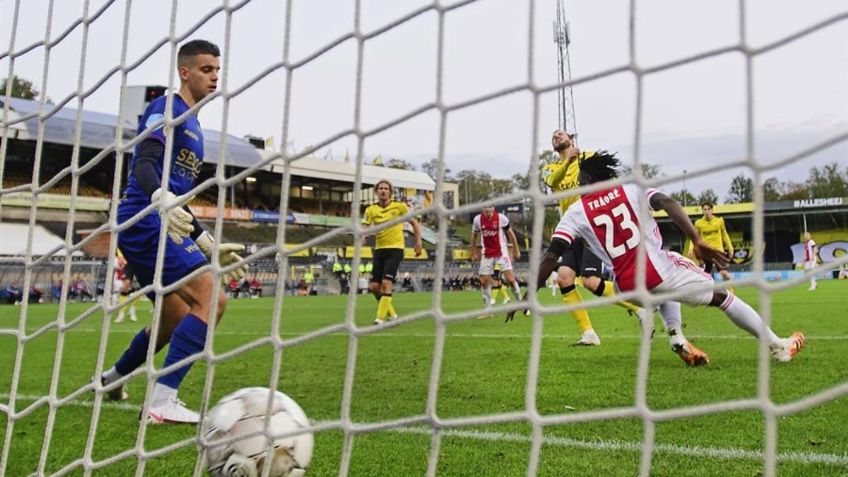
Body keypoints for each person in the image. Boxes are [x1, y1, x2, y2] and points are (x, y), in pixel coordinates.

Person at [510, 152, 805, 364]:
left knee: (663, 287)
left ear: (586, 180)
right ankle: (778, 346)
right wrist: (697, 239)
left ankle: (676, 336)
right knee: (721, 296)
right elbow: (665, 201)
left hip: (627, 286)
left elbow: (552, 255)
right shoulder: (630, 188)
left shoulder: (575, 212)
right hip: (657, 270)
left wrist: (528, 293)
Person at [100, 39, 247, 425]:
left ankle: (111, 379)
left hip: (160, 221)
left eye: (217, 70)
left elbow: (176, 192)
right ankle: (163, 400)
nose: (214, 77)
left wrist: (203, 240)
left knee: (174, 316)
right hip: (145, 219)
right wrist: (159, 196)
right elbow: (145, 161)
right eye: (205, 70)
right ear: (185, 72)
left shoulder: (196, 126)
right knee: (212, 298)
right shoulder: (167, 108)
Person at [538, 129, 652, 345]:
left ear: (571, 138)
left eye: (560, 134)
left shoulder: (587, 158)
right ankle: (588, 333)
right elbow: (552, 181)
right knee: (564, 278)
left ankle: (639, 308)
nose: (556, 136)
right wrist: (567, 161)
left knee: (591, 282)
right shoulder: (549, 168)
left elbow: (607, 177)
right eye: (553, 136)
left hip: (591, 225)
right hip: (570, 228)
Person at [362, 179, 422, 325]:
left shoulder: (399, 207)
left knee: (386, 283)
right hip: (379, 249)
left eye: (386, 189)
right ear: (377, 192)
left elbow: (414, 223)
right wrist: (363, 237)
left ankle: (380, 319)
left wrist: (418, 242)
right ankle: (392, 315)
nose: (383, 191)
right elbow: (364, 226)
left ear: (390, 192)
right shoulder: (371, 210)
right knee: (374, 287)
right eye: (380, 188)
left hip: (395, 248)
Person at [470, 206, 522, 318]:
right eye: (485, 208)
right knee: (484, 281)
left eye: (489, 207)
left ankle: (522, 304)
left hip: (501, 253)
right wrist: (473, 252)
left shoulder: (501, 218)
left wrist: (516, 250)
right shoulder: (477, 220)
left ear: (493, 208)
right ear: (482, 209)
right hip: (487, 254)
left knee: (510, 280)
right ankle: (488, 311)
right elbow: (474, 236)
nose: (487, 210)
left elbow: (511, 234)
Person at [687, 202, 734, 281]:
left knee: (725, 275)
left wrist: (730, 248)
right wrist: (690, 249)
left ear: (712, 210)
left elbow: (724, 234)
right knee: (704, 277)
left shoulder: (719, 221)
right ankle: (705, 292)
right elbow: (694, 237)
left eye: (709, 209)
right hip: (706, 252)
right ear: (702, 211)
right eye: (704, 209)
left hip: (718, 251)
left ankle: (730, 292)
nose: (707, 211)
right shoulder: (698, 223)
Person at [113, 250, 139, 323]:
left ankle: (132, 310)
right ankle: (121, 315)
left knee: (140, 289)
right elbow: (121, 258)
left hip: (140, 262)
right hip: (129, 264)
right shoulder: (121, 243)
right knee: (125, 287)